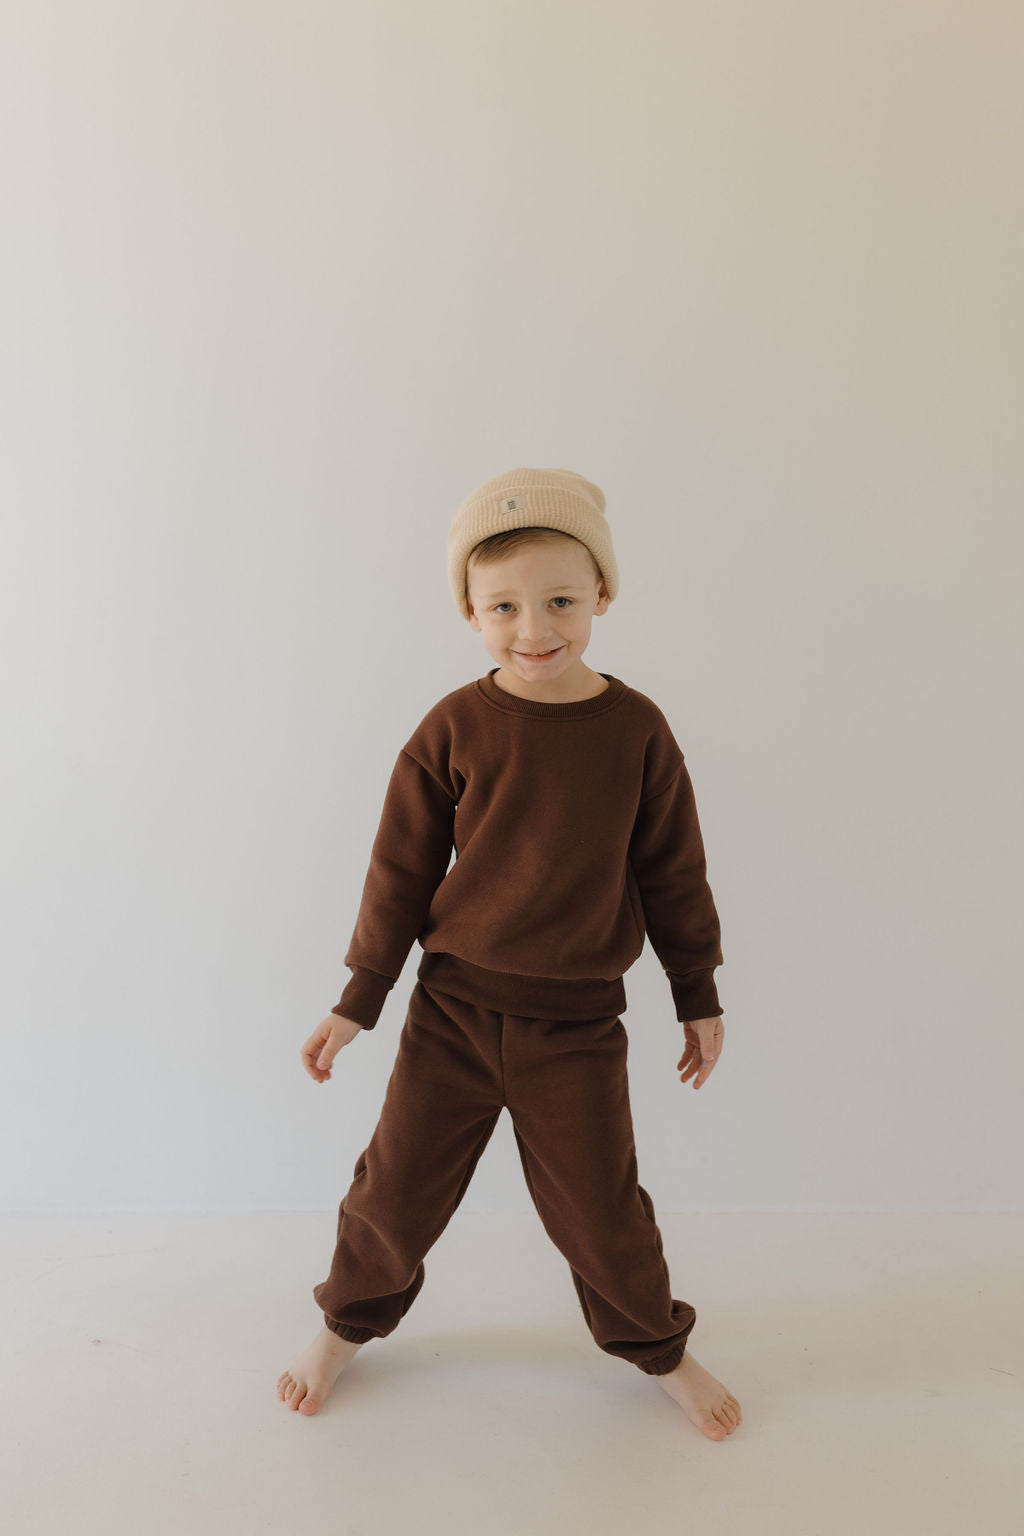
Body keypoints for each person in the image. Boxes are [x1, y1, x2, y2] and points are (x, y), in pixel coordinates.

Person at [277, 468, 742, 1439]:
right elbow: (398, 874)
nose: (534, 627)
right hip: (449, 1012)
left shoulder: (635, 732)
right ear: (470, 611)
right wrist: (356, 1001)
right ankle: (343, 1325)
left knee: (605, 1217)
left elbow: (672, 872)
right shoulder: (451, 728)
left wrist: (695, 992)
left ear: (601, 597)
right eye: (503, 606)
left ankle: (656, 1347)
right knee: (391, 1192)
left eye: (561, 600)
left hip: (573, 1029)